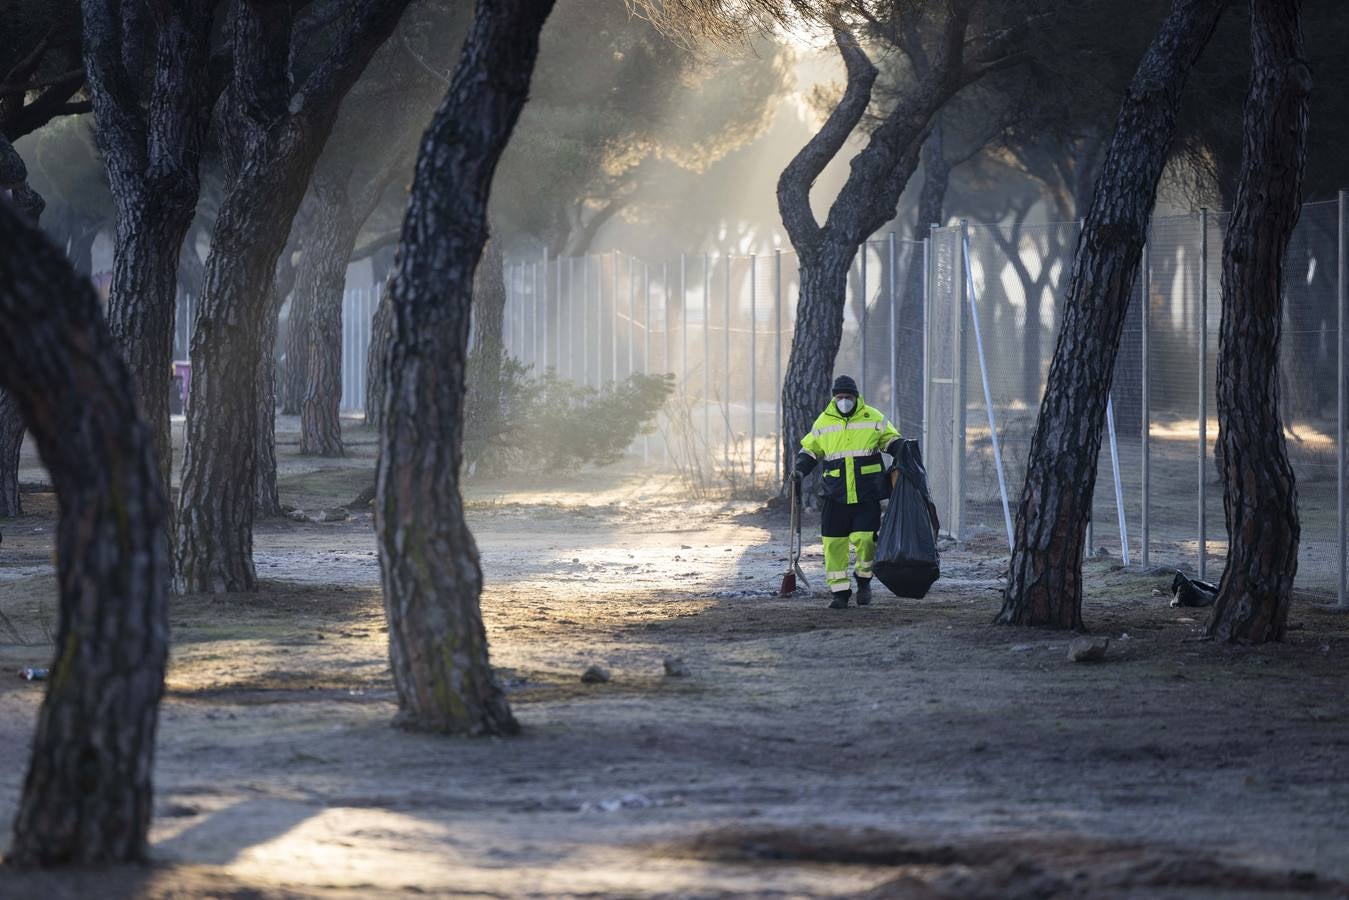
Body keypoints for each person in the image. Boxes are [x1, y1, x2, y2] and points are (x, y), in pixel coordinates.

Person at [792, 375, 901, 609]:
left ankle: (863, 581)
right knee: (833, 545)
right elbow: (810, 450)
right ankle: (839, 593)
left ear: (856, 397)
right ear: (834, 398)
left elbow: (891, 439)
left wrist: (902, 450)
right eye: (840, 397)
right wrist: (800, 470)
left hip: (866, 494)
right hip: (835, 495)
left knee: (865, 541)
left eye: (848, 397)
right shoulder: (823, 422)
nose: (844, 401)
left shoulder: (873, 417)